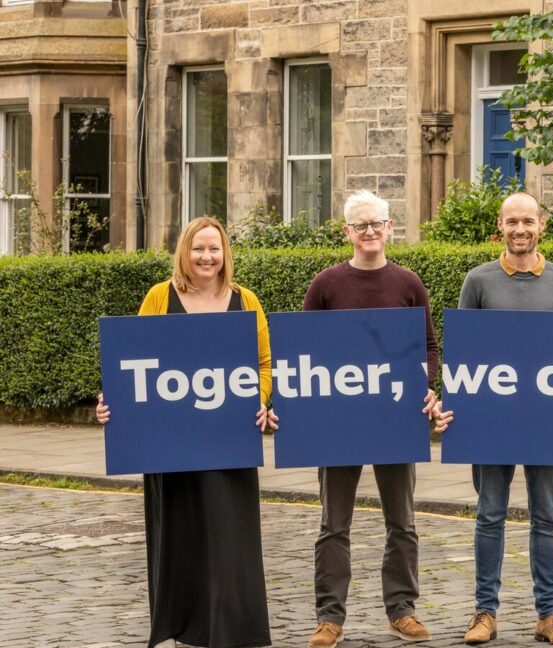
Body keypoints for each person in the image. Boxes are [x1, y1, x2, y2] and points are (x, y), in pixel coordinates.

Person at [96, 216, 278, 648]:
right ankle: (183, 627)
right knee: (181, 536)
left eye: (214, 249)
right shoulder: (160, 296)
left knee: (229, 536)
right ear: (184, 251)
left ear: (225, 254)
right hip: (168, 443)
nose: (206, 257)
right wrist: (112, 404)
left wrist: (258, 399)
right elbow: (133, 361)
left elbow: (264, 364)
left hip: (228, 440)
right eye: (199, 249)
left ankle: (232, 629)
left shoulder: (245, 300)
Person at [432, 192, 553, 646]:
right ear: (500, 226)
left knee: (547, 517)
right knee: (489, 515)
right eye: (512, 221)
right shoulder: (477, 281)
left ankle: (549, 614)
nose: (520, 229)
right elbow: (464, 353)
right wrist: (452, 406)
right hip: (491, 420)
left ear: (542, 226)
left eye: (528, 221)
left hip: (546, 420)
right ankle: (484, 613)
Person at [304, 191, 440, 647]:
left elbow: (429, 346)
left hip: (395, 419)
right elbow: (307, 351)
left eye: (375, 223)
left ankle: (402, 609)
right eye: (359, 225)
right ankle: (330, 617)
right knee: (333, 524)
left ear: (390, 228)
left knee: (401, 520)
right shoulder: (325, 285)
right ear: (347, 233)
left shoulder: (409, 283)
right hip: (339, 423)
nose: (368, 232)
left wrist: (427, 386)